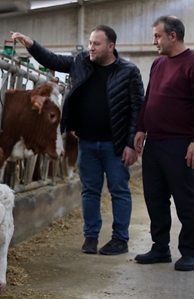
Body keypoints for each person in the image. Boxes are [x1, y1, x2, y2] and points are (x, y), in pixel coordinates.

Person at [11, 26, 144, 256]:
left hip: (116, 144)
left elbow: (137, 109)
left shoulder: (129, 71)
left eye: (97, 44)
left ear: (110, 47)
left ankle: (120, 239)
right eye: (90, 42)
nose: (91, 47)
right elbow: (52, 60)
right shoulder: (81, 62)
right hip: (87, 142)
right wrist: (32, 45)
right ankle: (90, 237)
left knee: (119, 190)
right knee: (90, 191)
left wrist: (132, 144)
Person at [133, 16, 194, 272]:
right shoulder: (158, 64)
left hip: (180, 144)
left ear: (173, 36)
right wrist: (141, 127)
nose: (154, 41)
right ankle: (160, 248)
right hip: (154, 143)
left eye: (157, 36)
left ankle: (191, 252)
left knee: (184, 198)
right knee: (154, 198)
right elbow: (149, 99)